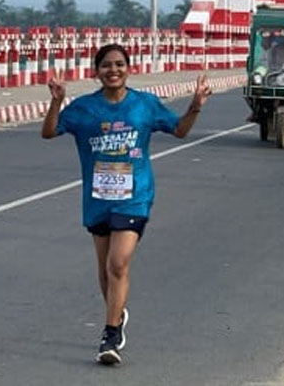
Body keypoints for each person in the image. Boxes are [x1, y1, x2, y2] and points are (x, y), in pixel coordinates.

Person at [41, 43, 212, 365]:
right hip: (98, 200)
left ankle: (110, 334)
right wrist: (56, 101)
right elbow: (49, 133)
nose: (113, 70)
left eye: (119, 64)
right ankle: (117, 315)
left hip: (135, 197)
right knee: (105, 271)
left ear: (129, 69)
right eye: (106, 65)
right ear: (97, 71)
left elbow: (179, 131)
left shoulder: (144, 105)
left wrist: (195, 106)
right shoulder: (83, 109)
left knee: (118, 264)